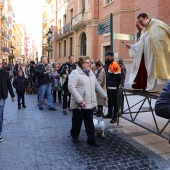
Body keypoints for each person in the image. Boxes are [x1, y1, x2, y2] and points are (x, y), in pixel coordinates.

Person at [68, 56, 107, 147]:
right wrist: (79, 99)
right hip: (80, 103)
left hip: (89, 103)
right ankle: (74, 135)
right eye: (87, 63)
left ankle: (91, 140)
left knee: (89, 122)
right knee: (77, 121)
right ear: (81, 63)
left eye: (90, 62)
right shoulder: (75, 73)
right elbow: (71, 87)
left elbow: (97, 85)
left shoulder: (91, 73)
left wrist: (104, 95)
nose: (90, 64)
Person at [126, 13, 170, 92]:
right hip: (148, 55)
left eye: (141, 21)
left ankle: (161, 88)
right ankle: (151, 88)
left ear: (146, 18)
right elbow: (140, 44)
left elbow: (165, 39)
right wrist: (132, 47)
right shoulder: (145, 30)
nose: (141, 24)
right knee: (150, 71)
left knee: (157, 70)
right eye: (139, 22)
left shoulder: (158, 25)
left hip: (157, 55)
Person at [103, 51, 121, 124]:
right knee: (110, 101)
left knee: (114, 102)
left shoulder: (114, 64)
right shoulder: (109, 64)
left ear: (110, 56)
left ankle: (115, 116)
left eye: (106, 56)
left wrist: (117, 85)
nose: (105, 57)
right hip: (109, 86)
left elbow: (118, 76)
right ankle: (109, 114)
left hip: (113, 87)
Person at [0, 57, 15, 142]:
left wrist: (12, 95)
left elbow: (9, 85)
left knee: (0, 114)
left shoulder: (5, 73)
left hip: (1, 96)